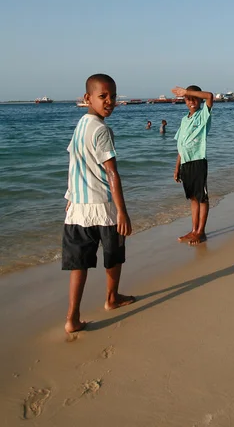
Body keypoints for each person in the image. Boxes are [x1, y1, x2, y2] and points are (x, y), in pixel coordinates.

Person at [62, 74, 135, 333]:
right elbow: (112, 172)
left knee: (78, 264)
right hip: (103, 207)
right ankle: (112, 298)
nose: (110, 102)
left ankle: (72, 318)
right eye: (103, 96)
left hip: (78, 210)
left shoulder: (81, 125)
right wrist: (123, 212)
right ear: (87, 98)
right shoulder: (102, 130)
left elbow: (74, 164)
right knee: (113, 256)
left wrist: (69, 198)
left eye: (113, 96)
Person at [171, 85, 213, 246]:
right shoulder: (184, 120)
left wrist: (187, 92)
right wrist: (177, 167)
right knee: (193, 198)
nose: (191, 102)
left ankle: (201, 232)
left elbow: (209, 95)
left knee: (202, 198)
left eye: (194, 98)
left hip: (198, 161)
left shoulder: (203, 116)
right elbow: (181, 146)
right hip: (186, 164)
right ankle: (194, 229)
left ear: (199, 100)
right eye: (188, 99)